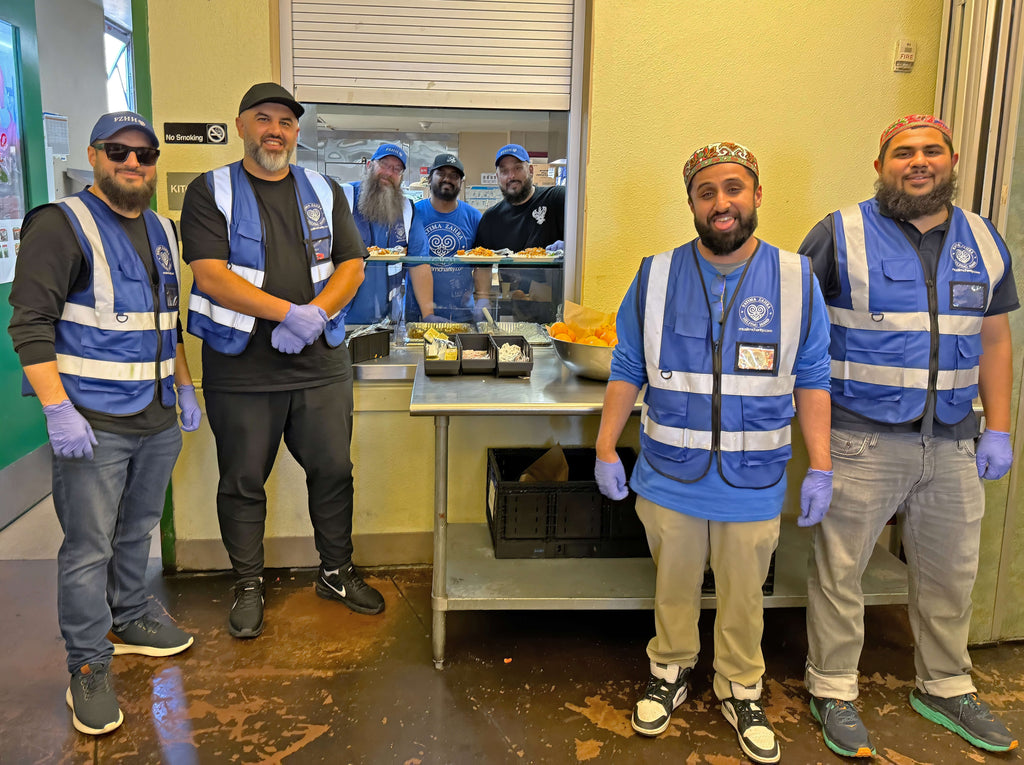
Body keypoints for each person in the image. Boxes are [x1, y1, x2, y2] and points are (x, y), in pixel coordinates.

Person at [594, 142, 833, 764]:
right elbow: (627, 366)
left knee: (744, 591)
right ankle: (670, 667)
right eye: (707, 193)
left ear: (756, 195)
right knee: (673, 585)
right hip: (669, 473)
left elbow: (812, 378)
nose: (721, 203)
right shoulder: (656, 275)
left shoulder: (796, 279)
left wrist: (822, 467)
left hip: (753, 478)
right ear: (693, 204)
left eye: (733, 189)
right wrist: (604, 449)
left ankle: (740, 684)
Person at [801, 114, 1019, 757]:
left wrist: (999, 428)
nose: (917, 161)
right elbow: (799, 329)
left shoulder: (983, 239)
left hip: (954, 439)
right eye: (902, 153)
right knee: (841, 572)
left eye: (931, 151)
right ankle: (833, 687)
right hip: (860, 438)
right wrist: (814, 448)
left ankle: (946, 684)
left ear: (952, 162)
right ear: (880, 166)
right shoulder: (839, 234)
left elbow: (996, 338)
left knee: (951, 574)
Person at [8, 111, 199, 736]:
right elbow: (29, 326)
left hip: (156, 415)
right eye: (119, 151)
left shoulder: (164, 231)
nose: (133, 164)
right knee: (87, 548)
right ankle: (87, 666)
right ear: (94, 156)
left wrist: (185, 387)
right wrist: (57, 409)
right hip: (91, 422)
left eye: (145, 155)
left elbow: (168, 323)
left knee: (137, 529)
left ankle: (130, 616)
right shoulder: (60, 225)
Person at [180, 82, 385, 640]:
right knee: (243, 480)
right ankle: (248, 583)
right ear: (242, 125)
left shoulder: (323, 187)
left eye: (287, 122)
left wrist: (314, 316)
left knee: (333, 472)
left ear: (296, 132)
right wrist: (285, 314)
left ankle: (336, 573)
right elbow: (210, 274)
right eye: (263, 119)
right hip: (241, 369)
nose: (276, 130)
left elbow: (353, 264)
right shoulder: (210, 190)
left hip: (320, 365)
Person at [473, 143, 566, 322]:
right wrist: (483, 297)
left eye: (517, 168)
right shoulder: (492, 217)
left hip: (557, 309)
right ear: (497, 177)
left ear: (530, 170)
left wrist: (568, 246)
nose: (511, 176)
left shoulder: (556, 199)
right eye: (504, 171)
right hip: (513, 309)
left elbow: (585, 234)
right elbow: (482, 263)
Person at [339, 142, 428, 324]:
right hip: (338, 321)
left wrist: (428, 314)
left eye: (396, 169)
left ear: (401, 177)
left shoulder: (407, 210)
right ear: (369, 166)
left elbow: (420, 265)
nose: (389, 173)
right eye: (384, 165)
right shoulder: (342, 198)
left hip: (387, 323)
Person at [408, 152, 482, 323]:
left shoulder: (474, 217)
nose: (447, 179)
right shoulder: (413, 214)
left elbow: (481, 263)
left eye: (454, 176)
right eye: (441, 173)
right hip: (418, 312)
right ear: (429, 178)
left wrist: (481, 297)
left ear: (461, 183)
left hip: (462, 312)